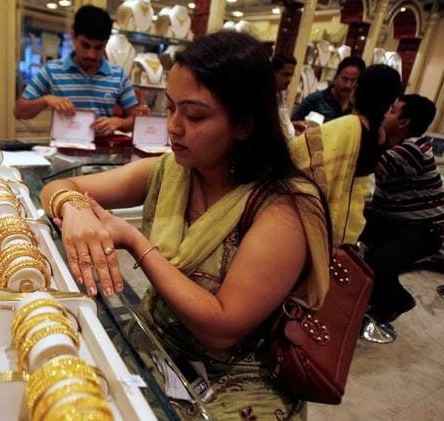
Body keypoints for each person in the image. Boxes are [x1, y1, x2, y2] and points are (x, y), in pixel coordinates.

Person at [41, 31, 330, 419]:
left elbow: (223, 327)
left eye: (194, 115)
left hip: (236, 377)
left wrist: (134, 242)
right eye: (172, 108)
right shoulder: (174, 171)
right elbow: (60, 186)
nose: (174, 127)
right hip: (157, 341)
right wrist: (73, 208)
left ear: (244, 125)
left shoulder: (283, 209)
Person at [290, 64, 402, 245]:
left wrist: (301, 138)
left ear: (356, 90)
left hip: (325, 218)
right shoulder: (380, 134)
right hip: (351, 218)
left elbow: (295, 155)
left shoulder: (347, 126)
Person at [359, 95, 442, 323]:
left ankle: (396, 301)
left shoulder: (413, 149)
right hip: (393, 221)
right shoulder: (400, 146)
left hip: (424, 230)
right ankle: (367, 297)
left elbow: (364, 162)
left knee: (377, 264)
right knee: (345, 230)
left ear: (404, 122)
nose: (385, 114)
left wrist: (369, 126)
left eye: (392, 111)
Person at [13, 5, 139, 136]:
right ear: (73, 36)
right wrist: (46, 100)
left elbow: (137, 121)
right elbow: (19, 111)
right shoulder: (52, 70)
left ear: (106, 43)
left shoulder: (118, 76)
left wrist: (119, 122)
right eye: (85, 45)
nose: (91, 54)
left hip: (103, 152)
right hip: (61, 152)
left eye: (98, 48)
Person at [292, 56, 365, 124]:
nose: (348, 85)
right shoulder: (315, 100)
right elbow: (292, 126)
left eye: (353, 81)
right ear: (335, 77)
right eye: (344, 79)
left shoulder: (356, 107)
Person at [271, 53, 303, 139]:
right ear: (273, 73)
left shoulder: (280, 93)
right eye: (286, 74)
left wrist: (292, 125)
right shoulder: (264, 95)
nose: (289, 80)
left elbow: (280, 121)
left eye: (291, 75)